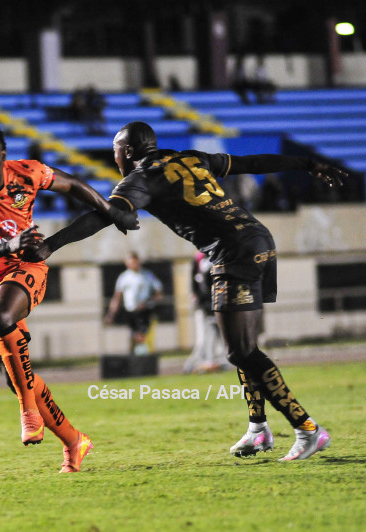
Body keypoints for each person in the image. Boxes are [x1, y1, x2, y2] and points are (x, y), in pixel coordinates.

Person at [30, 121, 347, 462]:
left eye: (116, 152)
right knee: (244, 347)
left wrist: (51, 244)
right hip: (259, 239)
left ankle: (307, 429)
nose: (115, 158)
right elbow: (250, 163)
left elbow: (105, 216)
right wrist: (309, 164)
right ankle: (258, 430)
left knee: (239, 352)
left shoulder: (141, 178)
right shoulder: (192, 158)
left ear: (129, 152)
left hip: (232, 253)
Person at [0, 123, 138, 472]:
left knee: (2, 318)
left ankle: (27, 410)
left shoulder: (28, 172)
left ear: (2, 157)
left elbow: (74, 185)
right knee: (13, 374)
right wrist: (7, 245)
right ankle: (74, 441)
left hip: (27, 267)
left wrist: (111, 212)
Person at [105, 252, 163, 355]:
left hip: (144, 310)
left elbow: (159, 293)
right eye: (129, 263)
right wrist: (111, 313)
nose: (132, 265)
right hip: (130, 311)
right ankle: (137, 358)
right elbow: (117, 297)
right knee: (135, 336)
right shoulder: (123, 277)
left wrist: (147, 302)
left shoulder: (147, 275)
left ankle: (145, 358)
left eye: (134, 262)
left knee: (142, 335)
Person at [183, 252, 231, 374]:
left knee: (220, 335)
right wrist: (200, 301)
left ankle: (219, 360)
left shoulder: (216, 258)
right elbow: (195, 283)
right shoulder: (198, 260)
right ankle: (203, 362)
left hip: (215, 304)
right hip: (204, 305)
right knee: (204, 337)